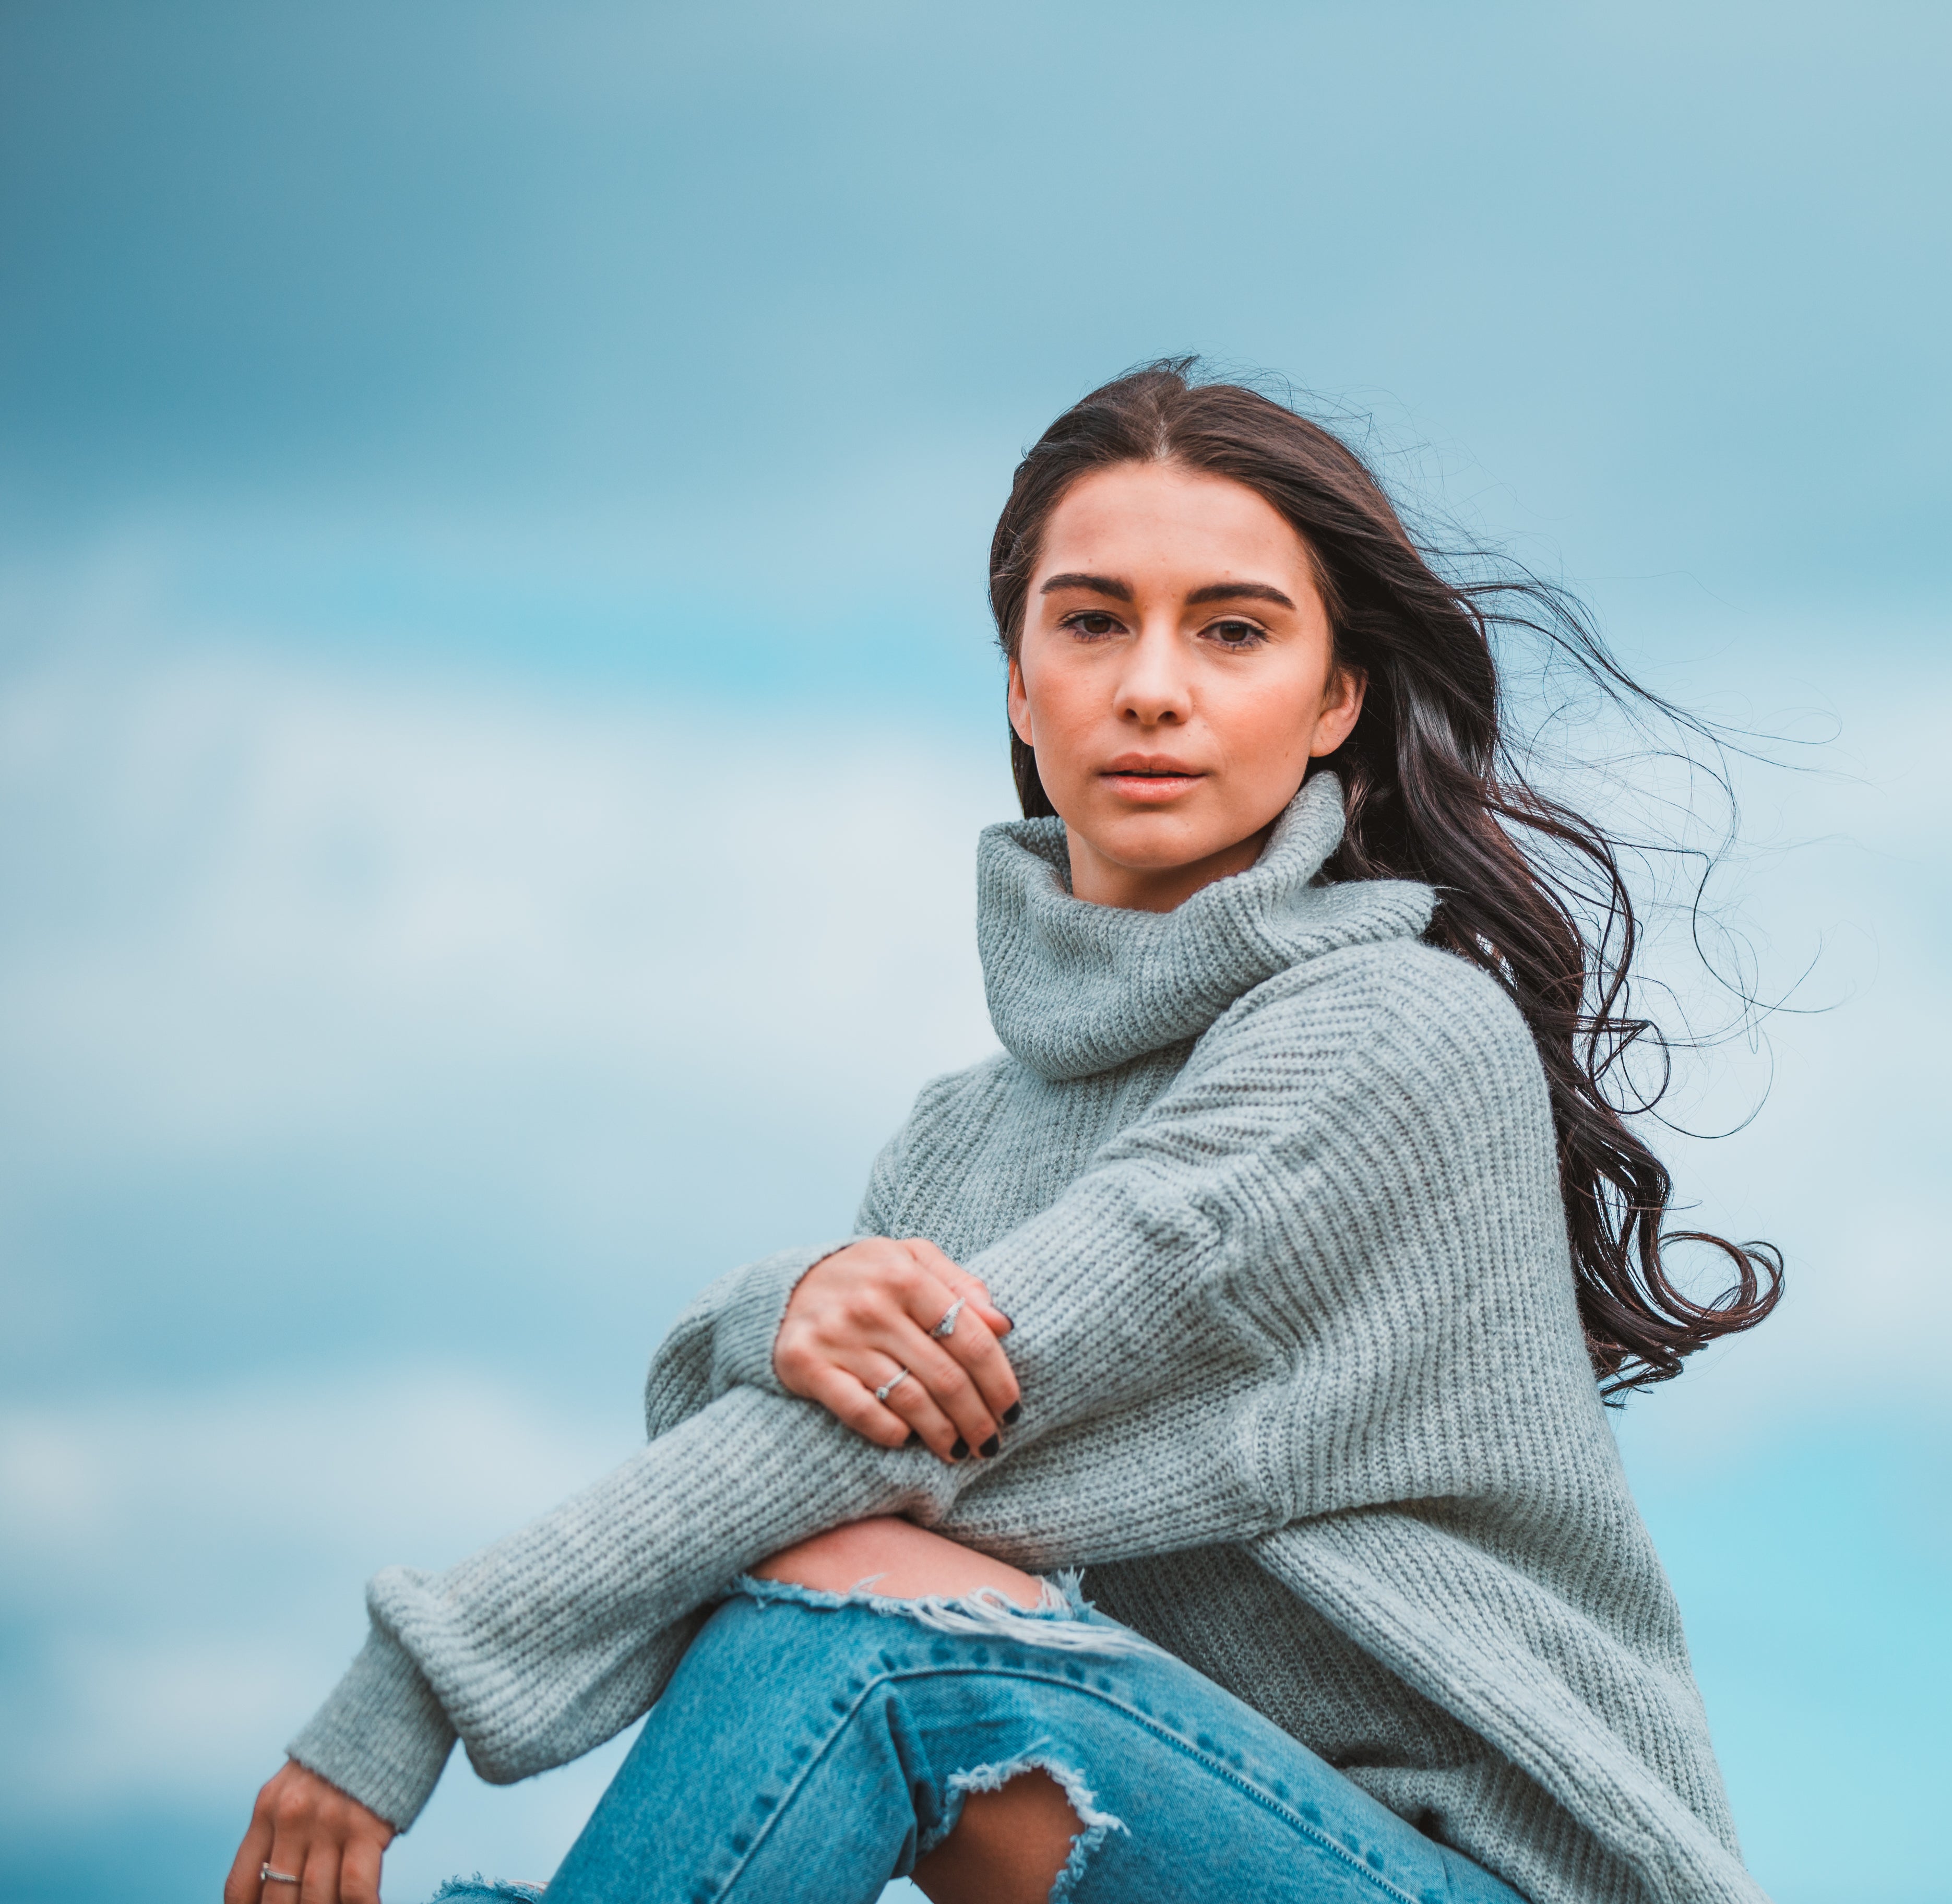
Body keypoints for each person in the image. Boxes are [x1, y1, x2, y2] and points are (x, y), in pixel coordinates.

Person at [224, 362, 1782, 1904]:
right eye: (1093, 622)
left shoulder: (1388, 1037)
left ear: (1335, 700)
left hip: (1476, 1883)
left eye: (1232, 631)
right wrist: (785, 1310)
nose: (1152, 686)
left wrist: (415, 1685)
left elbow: (905, 1456)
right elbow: (757, 1500)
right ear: (1021, 684)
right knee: (832, 1591)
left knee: (879, 1630)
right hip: (1183, 1838)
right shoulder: (958, 1141)